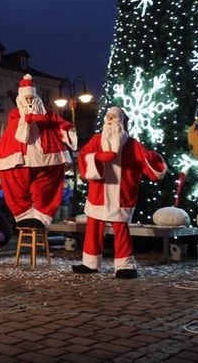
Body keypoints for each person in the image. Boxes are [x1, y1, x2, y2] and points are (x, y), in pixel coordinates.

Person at [72, 106, 167, 278]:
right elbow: (84, 155)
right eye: (108, 117)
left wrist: (151, 158)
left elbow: (146, 161)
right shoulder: (96, 139)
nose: (110, 120)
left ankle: (125, 265)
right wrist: (98, 158)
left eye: (113, 117)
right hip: (98, 192)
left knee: (121, 228)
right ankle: (90, 262)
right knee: (93, 227)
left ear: (121, 122)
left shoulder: (132, 144)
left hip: (121, 194)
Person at [0, 74, 77, 228]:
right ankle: (23, 213)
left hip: (47, 155)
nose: (30, 102)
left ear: (37, 99)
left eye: (32, 99)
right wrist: (29, 118)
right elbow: (16, 128)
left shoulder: (47, 113)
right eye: (27, 99)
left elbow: (59, 123)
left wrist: (65, 128)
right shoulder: (16, 115)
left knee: (46, 183)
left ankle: (42, 214)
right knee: (15, 182)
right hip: (19, 156)